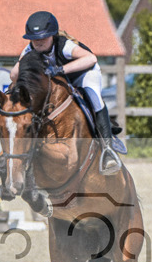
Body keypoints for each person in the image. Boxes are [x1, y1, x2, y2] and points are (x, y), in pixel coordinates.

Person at [10, 10, 122, 175]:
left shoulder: (64, 45)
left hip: (83, 74)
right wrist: (24, 62)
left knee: (95, 98)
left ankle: (108, 150)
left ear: (52, 36)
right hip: (60, 80)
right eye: (34, 39)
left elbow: (91, 59)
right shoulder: (29, 49)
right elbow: (13, 75)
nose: (38, 43)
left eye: (43, 38)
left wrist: (60, 69)